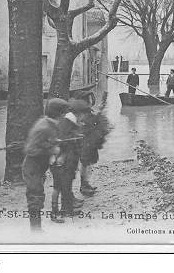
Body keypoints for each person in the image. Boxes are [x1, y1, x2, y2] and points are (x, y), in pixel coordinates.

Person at [22, 98, 69, 231]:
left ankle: (37, 228)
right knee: (35, 197)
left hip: (39, 166)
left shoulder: (49, 124)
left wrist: (54, 143)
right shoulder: (44, 127)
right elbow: (30, 149)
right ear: (58, 114)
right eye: (64, 113)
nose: (65, 116)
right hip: (33, 167)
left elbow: (47, 141)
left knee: (37, 196)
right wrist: (51, 149)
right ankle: (36, 231)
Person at [52, 99, 90, 217]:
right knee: (65, 184)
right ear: (78, 113)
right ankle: (67, 209)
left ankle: (68, 206)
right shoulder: (67, 122)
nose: (84, 118)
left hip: (69, 159)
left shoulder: (71, 121)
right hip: (64, 160)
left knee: (67, 183)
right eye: (83, 115)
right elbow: (62, 140)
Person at [75, 91, 110, 197]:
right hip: (85, 143)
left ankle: (86, 183)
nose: (91, 102)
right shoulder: (82, 113)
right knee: (85, 165)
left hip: (89, 142)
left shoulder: (85, 111)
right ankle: (83, 186)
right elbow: (89, 123)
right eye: (89, 100)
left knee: (88, 164)